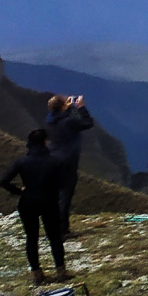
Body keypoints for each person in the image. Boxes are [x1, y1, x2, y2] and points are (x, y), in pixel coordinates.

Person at [0, 129, 70, 284]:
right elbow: (65, 183)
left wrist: (19, 191)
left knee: (32, 238)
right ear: (45, 141)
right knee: (55, 237)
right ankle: (61, 271)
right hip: (49, 202)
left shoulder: (22, 162)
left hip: (28, 202)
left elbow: (3, 181)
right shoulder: (55, 161)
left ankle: (37, 274)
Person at [44, 94, 96, 237]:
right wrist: (81, 107)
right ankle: (62, 230)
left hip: (52, 159)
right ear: (62, 106)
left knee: (55, 195)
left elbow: (61, 118)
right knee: (65, 195)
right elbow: (87, 123)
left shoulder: (50, 121)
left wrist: (68, 108)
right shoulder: (67, 122)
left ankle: (52, 227)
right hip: (67, 161)